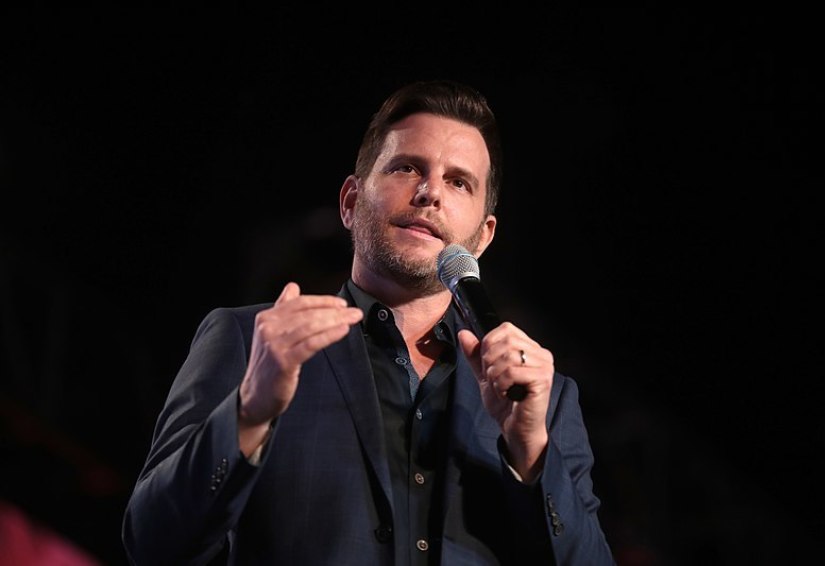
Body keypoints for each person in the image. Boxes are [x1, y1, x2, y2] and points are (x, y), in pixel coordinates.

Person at [122, 79, 616, 565]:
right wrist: (249, 414)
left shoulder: (542, 400)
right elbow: (152, 543)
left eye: (458, 182)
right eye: (406, 167)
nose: (429, 193)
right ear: (351, 202)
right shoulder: (248, 341)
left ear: (483, 238)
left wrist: (531, 454)